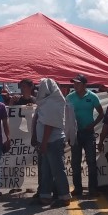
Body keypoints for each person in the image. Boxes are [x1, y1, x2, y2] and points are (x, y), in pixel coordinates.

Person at [34, 78, 71, 207]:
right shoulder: (49, 101)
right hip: (47, 141)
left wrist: (43, 143)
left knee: (57, 170)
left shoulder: (51, 103)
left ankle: (64, 196)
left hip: (52, 141)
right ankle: (45, 196)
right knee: (46, 170)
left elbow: (49, 125)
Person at [66, 74, 104, 198]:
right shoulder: (69, 97)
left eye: (77, 83)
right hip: (75, 133)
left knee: (91, 161)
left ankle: (93, 189)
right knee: (75, 162)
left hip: (88, 133)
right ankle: (78, 188)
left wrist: (93, 124)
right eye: (74, 83)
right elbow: (65, 115)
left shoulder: (92, 97)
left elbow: (101, 113)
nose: (75, 85)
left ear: (84, 84)